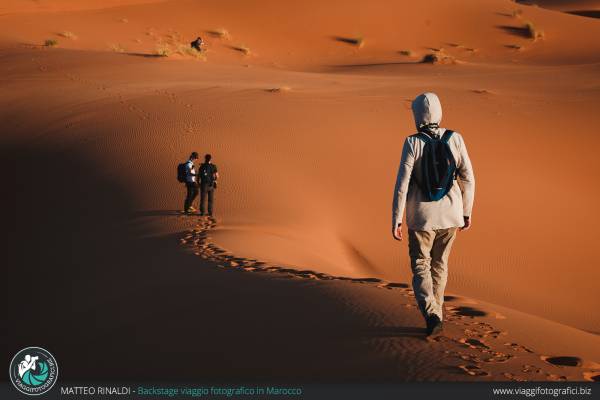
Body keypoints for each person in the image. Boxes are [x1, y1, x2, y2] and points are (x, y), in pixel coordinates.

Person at [392, 92, 475, 336]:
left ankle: (431, 313)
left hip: (421, 217)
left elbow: (402, 184)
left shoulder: (412, 142)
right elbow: (468, 178)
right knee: (440, 265)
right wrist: (466, 212)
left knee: (421, 265)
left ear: (417, 115)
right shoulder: (455, 138)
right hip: (451, 215)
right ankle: (436, 313)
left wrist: (397, 218)